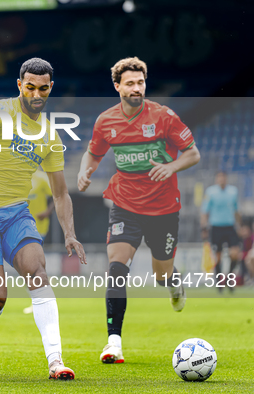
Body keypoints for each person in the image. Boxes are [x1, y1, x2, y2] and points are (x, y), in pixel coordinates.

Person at [0, 58, 87, 380]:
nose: (36, 93)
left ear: (50, 88)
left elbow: (61, 193)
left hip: (16, 214)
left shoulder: (50, 135)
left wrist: (69, 233)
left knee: (38, 271)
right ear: (20, 85)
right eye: (30, 87)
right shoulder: (1, 113)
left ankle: (56, 361)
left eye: (43, 88)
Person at [77, 57, 200, 364]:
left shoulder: (164, 117)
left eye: (140, 83)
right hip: (125, 205)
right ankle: (113, 343)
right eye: (130, 83)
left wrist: (171, 166)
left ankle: (173, 283)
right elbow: (93, 154)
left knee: (161, 275)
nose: (136, 88)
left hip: (163, 208)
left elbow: (193, 153)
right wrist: (84, 172)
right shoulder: (106, 121)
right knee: (117, 270)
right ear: (117, 86)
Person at [200, 171, 241, 291]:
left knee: (235, 254)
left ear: (226, 179)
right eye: (219, 178)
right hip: (216, 227)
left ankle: (228, 278)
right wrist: (203, 227)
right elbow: (204, 211)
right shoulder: (210, 192)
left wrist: (239, 225)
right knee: (218, 257)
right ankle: (219, 283)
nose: (221, 180)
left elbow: (236, 210)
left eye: (223, 177)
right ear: (216, 179)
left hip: (230, 226)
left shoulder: (233, 191)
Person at [23, 168, 54, 314]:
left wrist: (47, 212)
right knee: (27, 266)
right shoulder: (18, 174)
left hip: (38, 226)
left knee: (31, 264)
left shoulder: (41, 177)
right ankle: (39, 300)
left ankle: (40, 301)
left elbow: (56, 195)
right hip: (21, 226)